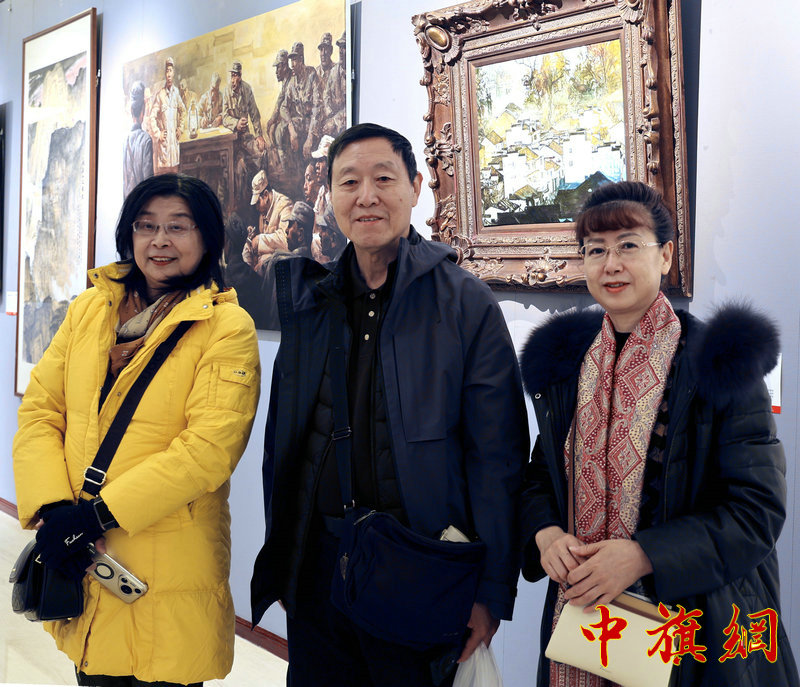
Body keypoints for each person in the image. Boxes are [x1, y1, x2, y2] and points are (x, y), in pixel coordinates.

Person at [250, 123, 529, 686]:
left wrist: (491, 592)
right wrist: (285, 558)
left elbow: (497, 458)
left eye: (383, 179)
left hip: (418, 567)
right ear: (329, 195)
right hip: (320, 566)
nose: (366, 196)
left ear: (416, 187)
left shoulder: (464, 304)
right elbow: (285, 440)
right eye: (349, 182)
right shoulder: (312, 302)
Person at [519, 180, 799, 687]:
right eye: (596, 250)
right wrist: (547, 534)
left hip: (694, 628)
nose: (611, 264)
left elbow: (756, 511)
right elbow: (543, 476)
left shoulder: (719, 363)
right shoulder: (568, 365)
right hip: (581, 620)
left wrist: (644, 554)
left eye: (628, 245)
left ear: (666, 255)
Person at [12, 173, 261, 686]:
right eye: (146, 226)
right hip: (84, 556)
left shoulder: (227, 328)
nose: (159, 240)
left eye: (178, 226)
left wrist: (95, 516)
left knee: (157, 670)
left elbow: (207, 451)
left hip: (166, 567)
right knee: (95, 672)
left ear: (208, 238)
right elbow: (41, 409)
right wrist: (56, 510)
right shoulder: (90, 310)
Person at [149, 57, 186, 173]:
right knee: (164, 178)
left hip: (173, 146)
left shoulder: (176, 93)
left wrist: (180, 128)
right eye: (167, 71)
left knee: (175, 176)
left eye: (170, 71)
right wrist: (158, 133)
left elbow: (183, 111)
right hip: (164, 149)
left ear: (173, 72)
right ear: (165, 74)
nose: (169, 74)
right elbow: (152, 117)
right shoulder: (160, 95)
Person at [123, 80, 154, 198]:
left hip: (128, 202)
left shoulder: (124, 141)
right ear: (143, 110)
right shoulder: (146, 140)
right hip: (141, 202)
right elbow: (148, 183)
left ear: (131, 110)